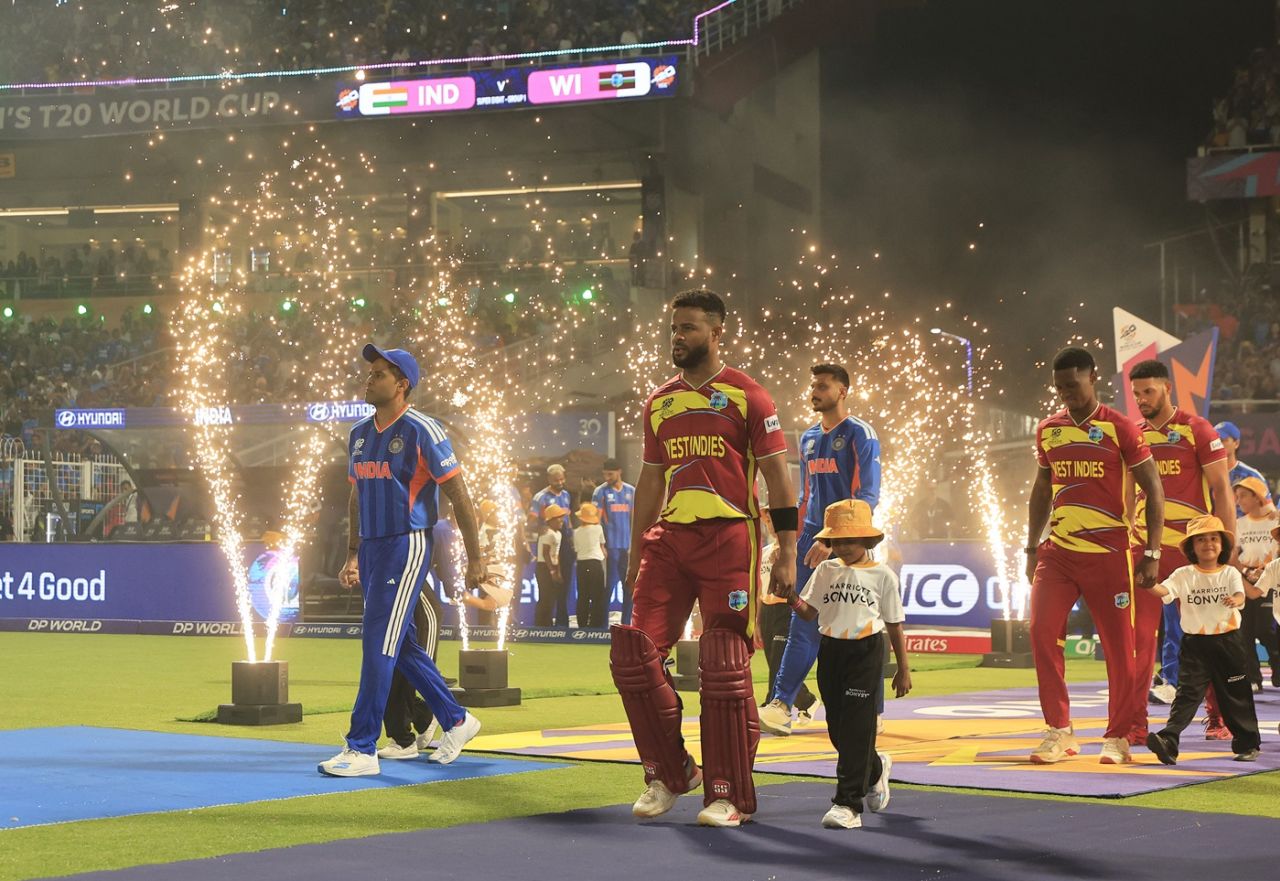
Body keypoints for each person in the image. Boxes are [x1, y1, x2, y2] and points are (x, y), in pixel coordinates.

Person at [610, 288, 798, 828]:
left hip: (729, 538)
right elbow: (651, 480)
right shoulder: (659, 401)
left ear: (716, 333)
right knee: (633, 654)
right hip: (669, 541)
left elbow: (779, 478)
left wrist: (786, 552)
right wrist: (635, 552)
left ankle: (728, 792)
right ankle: (670, 772)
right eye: (674, 327)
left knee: (723, 662)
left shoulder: (748, 395)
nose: (677, 336)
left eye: (688, 327)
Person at [320, 344, 483, 777]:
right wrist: (352, 553)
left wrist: (476, 558)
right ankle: (456, 719)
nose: (369, 379)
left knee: (378, 640)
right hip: (372, 548)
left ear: (402, 384)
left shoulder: (423, 429)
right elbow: (357, 494)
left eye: (379, 374)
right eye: (370, 372)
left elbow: (459, 495)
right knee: (401, 643)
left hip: (406, 544)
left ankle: (362, 747)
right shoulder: (359, 434)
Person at [1025, 347, 1165, 765]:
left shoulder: (1120, 427)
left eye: (1073, 384)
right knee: (1040, 632)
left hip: (1111, 554)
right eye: (1060, 387)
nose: (1066, 393)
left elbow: (1154, 489)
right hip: (1058, 553)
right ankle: (1059, 731)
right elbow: (1041, 489)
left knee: (1120, 649)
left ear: (1093, 377)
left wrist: (1152, 551)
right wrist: (1031, 547)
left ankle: (1118, 735)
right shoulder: (1048, 429)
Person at [770, 499, 910, 829]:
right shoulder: (826, 570)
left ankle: (847, 804)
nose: (843, 546)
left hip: (866, 652)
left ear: (868, 539)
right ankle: (875, 769)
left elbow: (894, 624)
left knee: (857, 729)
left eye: (851, 540)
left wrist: (903, 669)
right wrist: (791, 598)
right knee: (838, 729)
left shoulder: (883, 576)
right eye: (837, 540)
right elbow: (809, 612)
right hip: (830, 650)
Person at [760, 363, 880, 737]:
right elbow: (805, 496)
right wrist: (787, 541)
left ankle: (870, 709)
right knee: (802, 619)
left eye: (823, 386)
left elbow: (867, 496)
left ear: (842, 391)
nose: (814, 392)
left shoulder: (860, 434)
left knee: (856, 628)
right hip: (812, 539)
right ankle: (782, 704)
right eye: (813, 385)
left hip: (850, 541)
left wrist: (835, 540)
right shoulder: (809, 438)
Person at [1125, 359, 1234, 742]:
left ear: (1167, 388)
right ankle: (1134, 725)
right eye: (1136, 394)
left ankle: (1219, 718)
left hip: (1192, 551)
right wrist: (1129, 534)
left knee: (1207, 637)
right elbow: (1127, 493)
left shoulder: (1197, 429)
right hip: (1146, 550)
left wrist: (1227, 550)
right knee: (1138, 640)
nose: (1142, 399)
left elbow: (1222, 490)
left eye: (1148, 391)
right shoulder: (1134, 434)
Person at [1142, 515, 1261, 764]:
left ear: (1222, 545)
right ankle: (1169, 741)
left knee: (1236, 694)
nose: (1208, 543)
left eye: (1214, 538)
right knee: (1187, 694)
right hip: (1194, 644)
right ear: (1191, 547)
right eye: (1201, 539)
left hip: (1228, 643)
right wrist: (1149, 583)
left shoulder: (1230, 572)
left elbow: (1240, 596)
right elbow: (1164, 591)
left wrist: (1236, 600)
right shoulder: (1183, 574)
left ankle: (1248, 744)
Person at [377, 591, 443, 760]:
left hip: (418, 617)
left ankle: (404, 740)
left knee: (405, 674)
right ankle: (424, 716)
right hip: (396, 615)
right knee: (389, 673)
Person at [1234, 476, 1280, 689]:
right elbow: (1233, 555)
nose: (1238, 501)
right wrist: (1245, 571)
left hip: (1271, 578)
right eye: (1237, 496)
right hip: (1245, 580)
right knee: (1245, 632)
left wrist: (1265, 569)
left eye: (1243, 495)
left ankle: (1277, 666)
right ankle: (1253, 679)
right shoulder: (1239, 524)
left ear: (1257, 496)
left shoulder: (1275, 520)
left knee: (1265, 629)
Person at [531, 464, 576, 622]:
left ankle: (562, 621)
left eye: (562, 479)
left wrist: (571, 535)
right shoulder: (540, 497)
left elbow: (568, 518)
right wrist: (541, 527)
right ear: (549, 479)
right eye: (556, 480)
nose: (560, 482)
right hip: (549, 541)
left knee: (564, 583)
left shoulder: (566, 495)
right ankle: (544, 624)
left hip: (564, 541)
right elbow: (531, 519)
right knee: (548, 588)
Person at [593, 459, 636, 624]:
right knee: (608, 587)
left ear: (619, 471)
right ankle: (602, 625)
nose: (607, 478)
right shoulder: (600, 492)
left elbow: (635, 519)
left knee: (629, 587)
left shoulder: (631, 491)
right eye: (605, 474)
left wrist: (635, 545)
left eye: (610, 474)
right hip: (610, 548)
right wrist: (600, 545)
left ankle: (626, 624)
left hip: (627, 548)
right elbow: (595, 520)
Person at [1213, 421, 1275, 515]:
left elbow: (1269, 511)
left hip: (1244, 523)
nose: (1218, 444)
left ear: (1236, 443)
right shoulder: (1205, 473)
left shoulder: (1251, 475)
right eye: (1215, 440)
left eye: (1223, 440)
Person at [573, 502, 607, 628]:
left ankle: (582, 624)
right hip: (595, 563)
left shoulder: (576, 532)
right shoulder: (598, 528)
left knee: (583, 596)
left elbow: (577, 549)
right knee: (597, 596)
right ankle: (595, 625)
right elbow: (602, 547)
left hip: (581, 564)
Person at [534, 504, 568, 626]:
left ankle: (547, 623)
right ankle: (540, 625)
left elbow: (556, 555)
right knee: (545, 597)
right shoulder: (547, 533)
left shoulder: (558, 534)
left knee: (551, 598)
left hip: (551, 566)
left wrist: (558, 571)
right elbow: (545, 553)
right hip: (544, 567)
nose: (562, 520)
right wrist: (553, 571)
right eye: (559, 518)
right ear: (551, 520)